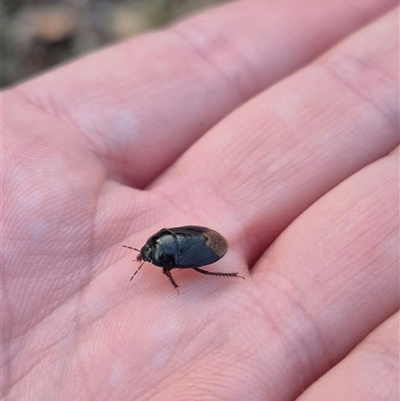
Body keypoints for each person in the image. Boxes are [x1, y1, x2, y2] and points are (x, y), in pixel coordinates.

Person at [2, 1, 398, 399]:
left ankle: (224, 276)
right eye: (148, 254)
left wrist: (171, 275)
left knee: (204, 272)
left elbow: (174, 255)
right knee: (202, 268)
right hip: (200, 237)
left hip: (203, 241)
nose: (146, 256)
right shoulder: (162, 247)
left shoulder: (167, 256)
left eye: (147, 254)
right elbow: (172, 245)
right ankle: (224, 276)